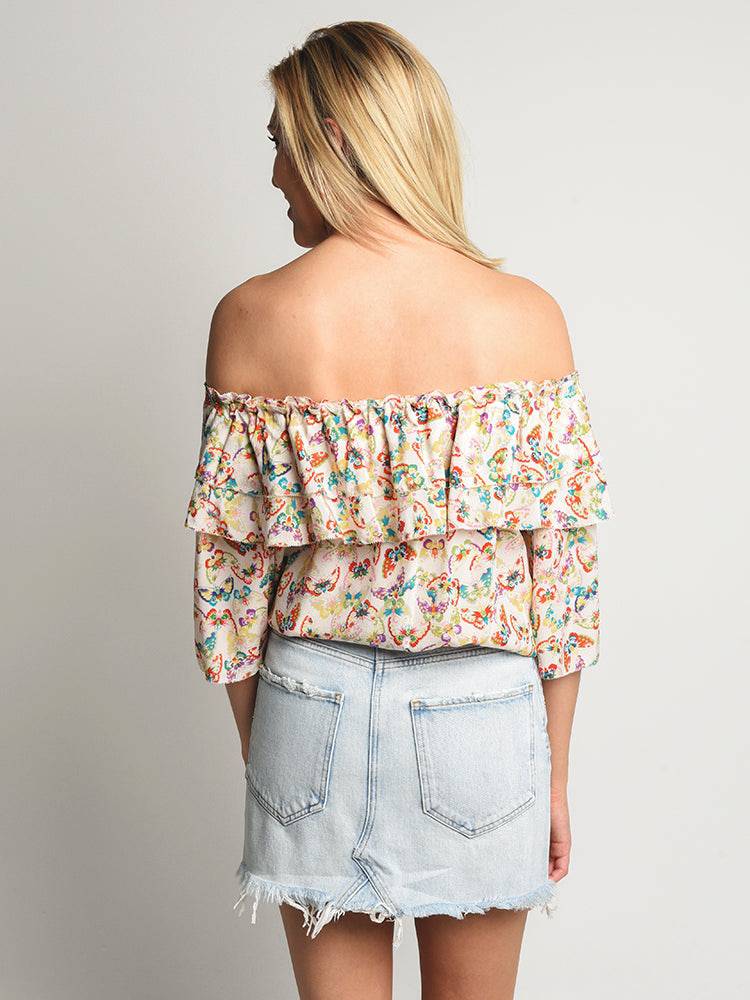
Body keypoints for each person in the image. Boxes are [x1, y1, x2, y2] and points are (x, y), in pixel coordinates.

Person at [184, 20, 615, 1000]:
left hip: (308, 703)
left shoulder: (250, 318)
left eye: (282, 142)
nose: (274, 174)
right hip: (483, 719)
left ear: (335, 137)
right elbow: (563, 589)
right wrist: (552, 773)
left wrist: (269, 753)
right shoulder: (525, 316)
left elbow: (229, 593)